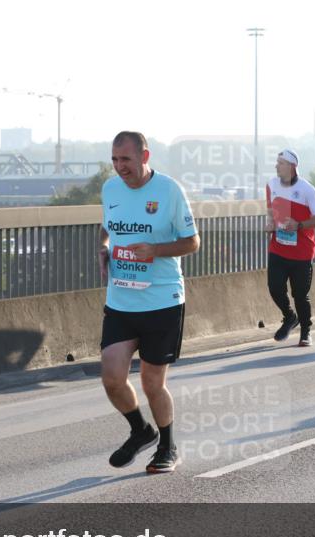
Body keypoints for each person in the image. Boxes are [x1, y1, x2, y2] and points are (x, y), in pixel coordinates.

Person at [99, 131, 199, 473]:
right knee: (112, 377)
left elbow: (192, 242)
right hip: (121, 299)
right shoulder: (110, 189)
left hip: (162, 300)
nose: (119, 167)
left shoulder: (169, 191)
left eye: (125, 160)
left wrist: (155, 250)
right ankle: (141, 430)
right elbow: (107, 228)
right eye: (114, 160)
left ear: (145, 157)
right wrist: (104, 246)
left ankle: (168, 446)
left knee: (152, 382)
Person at [265, 149, 315, 347]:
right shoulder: (271, 185)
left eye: (280, 163)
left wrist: (299, 225)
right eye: (276, 162)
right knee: (275, 288)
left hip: (301, 252)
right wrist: (270, 224)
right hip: (278, 249)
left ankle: (306, 331)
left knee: (300, 295)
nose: (276, 166)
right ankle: (290, 317)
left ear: (292, 166)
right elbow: (270, 211)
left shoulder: (307, 189)